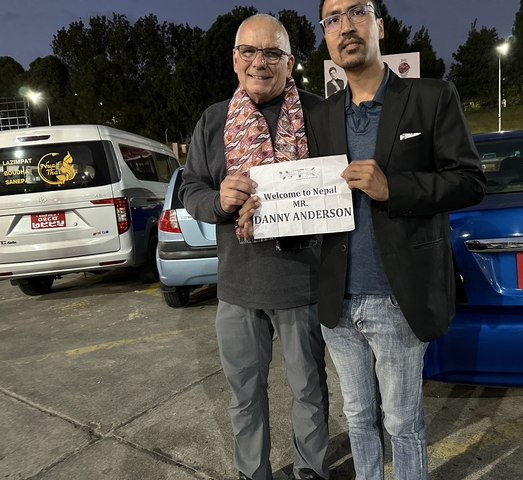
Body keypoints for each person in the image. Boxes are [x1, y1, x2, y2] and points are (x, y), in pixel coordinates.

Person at [306, 1, 486, 479]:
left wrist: (395, 188)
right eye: (333, 19)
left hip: (398, 297)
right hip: (337, 302)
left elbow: (469, 181)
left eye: (357, 12)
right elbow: (308, 200)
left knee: (403, 422)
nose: (346, 26)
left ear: (379, 25)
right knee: (359, 419)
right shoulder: (321, 117)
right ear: (326, 37)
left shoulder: (430, 97)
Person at [179, 14, 328, 480]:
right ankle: (252, 473)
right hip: (239, 287)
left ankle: (311, 470)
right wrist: (218, 200)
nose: (259, 63)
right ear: (235, 59)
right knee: (244, 394)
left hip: (302, 281)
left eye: (272, 53)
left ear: (290, 62)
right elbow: (190, 187)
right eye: (249, 51)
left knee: (309, 391)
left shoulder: (319, 113)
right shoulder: (213, 120)